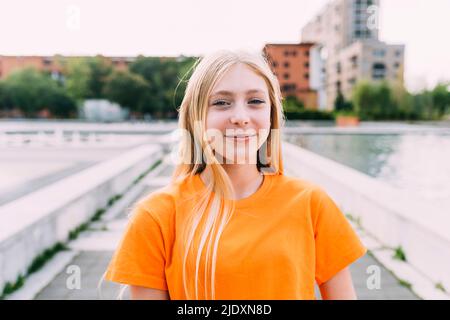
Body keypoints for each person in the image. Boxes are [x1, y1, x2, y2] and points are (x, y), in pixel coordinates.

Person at [103, 49, 367, 300]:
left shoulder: (312, 204)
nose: (240, 117)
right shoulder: (155, 216)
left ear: (272, 114)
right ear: (197, 115)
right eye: (221, 103)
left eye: (255, 101)